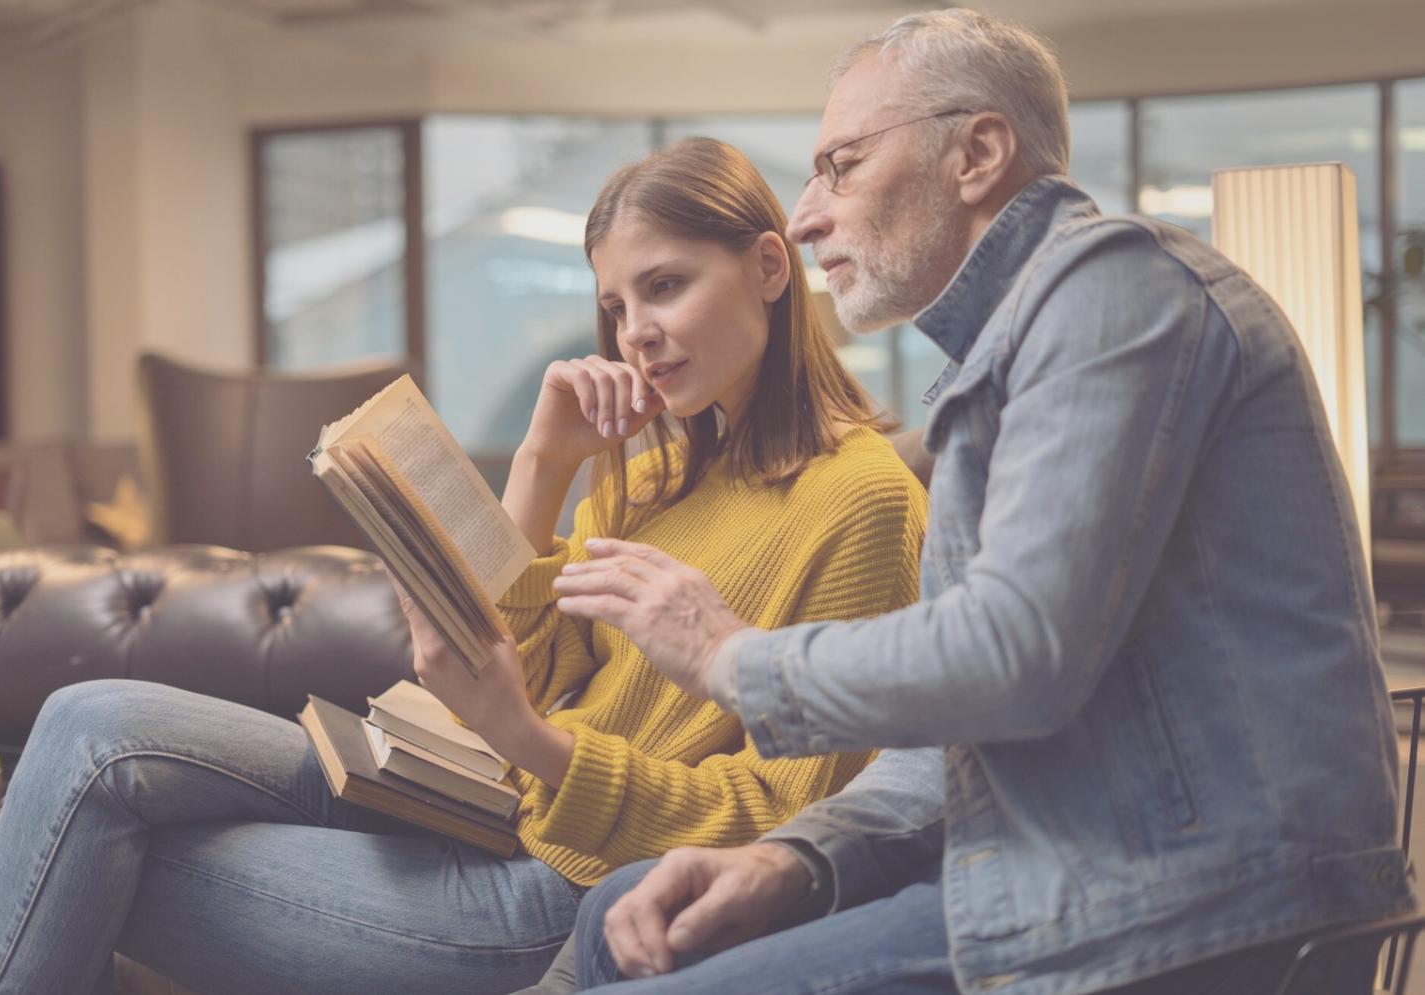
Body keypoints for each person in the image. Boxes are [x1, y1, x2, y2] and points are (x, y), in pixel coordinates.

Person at [0, 136, 929, 995]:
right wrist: (541, 464)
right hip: (468, 796)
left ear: (767, 267)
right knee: (85, 720)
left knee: (72, 853)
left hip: (556, 883)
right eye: (616, 303)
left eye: (664, 284)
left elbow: (780, 820)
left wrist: (527, 738)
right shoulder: (651, 469)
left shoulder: (863, 500)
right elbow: (536, 671)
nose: (635, 331)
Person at [558, 11, 1416, 995]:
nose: (802, 217)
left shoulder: (1117, 288)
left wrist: (724, 652)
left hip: (1201, 908)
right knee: (609, 917)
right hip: (1075, 872)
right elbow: (967, 726)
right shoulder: (1004, 362)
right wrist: (801, 855)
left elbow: (1015, 654)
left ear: (975, 152)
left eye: (839, 163)